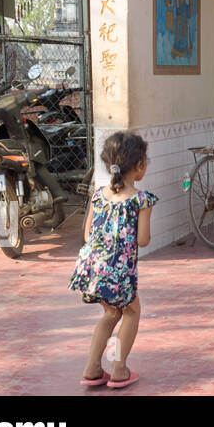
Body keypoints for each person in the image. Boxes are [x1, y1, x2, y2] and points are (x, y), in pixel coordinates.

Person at [69, 132, 157, 389]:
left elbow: (87, 235)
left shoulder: (98, 195)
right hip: (120, 271)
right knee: (132, 312)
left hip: (92, 268)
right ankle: (119, 368)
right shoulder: (141, 200)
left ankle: (93, 368)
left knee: (110, 314)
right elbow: (143, 240)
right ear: (139, 166)